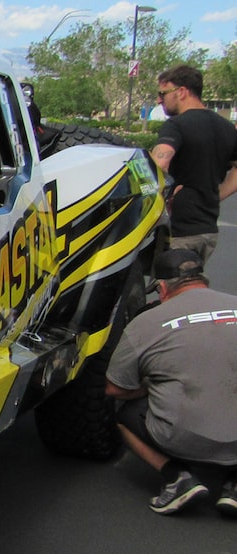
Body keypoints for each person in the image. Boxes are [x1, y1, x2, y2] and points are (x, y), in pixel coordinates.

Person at [105, 249, 237, 516]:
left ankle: (177, 477)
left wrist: (149, 387)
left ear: (162, 287)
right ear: (203, 280)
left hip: (183, 440)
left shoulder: (145, 323)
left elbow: (115, 387)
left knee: (124, 414)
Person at [149, 65, 237, 264]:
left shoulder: (176, 125)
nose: (159, 100)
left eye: (162, 93)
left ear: (181, 92)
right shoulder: (226, 127)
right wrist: (219, 193)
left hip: (180, 232)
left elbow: (158, 164)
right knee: (192, 289)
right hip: (208, 232)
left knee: (174, 291)